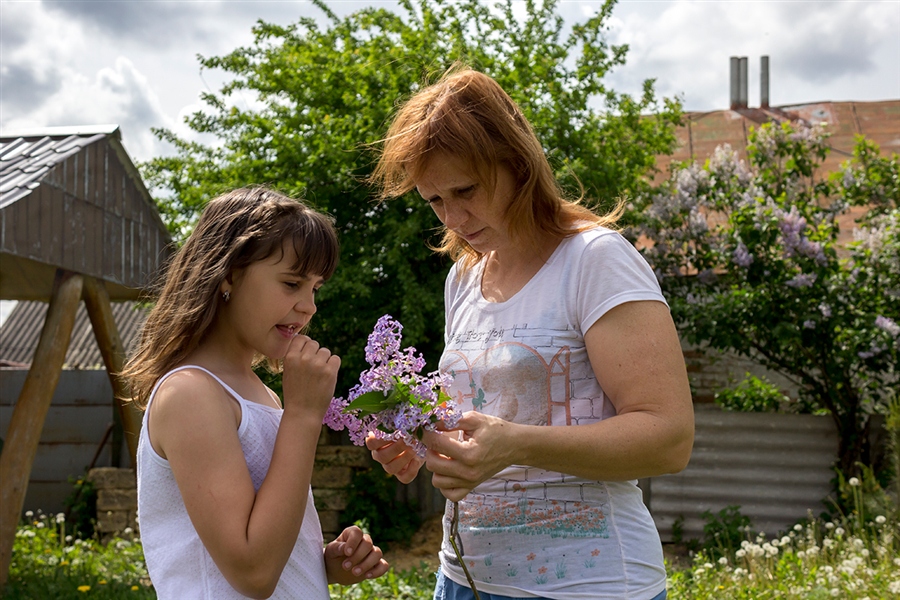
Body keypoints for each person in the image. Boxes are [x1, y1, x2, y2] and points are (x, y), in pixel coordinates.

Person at [367, 68, 694, 600]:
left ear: (517, 162)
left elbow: (669, 440)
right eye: (434, 200)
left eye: (465, 190)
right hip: (463, 581)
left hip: (588, 586)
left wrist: (514, 445)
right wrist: (423, 445)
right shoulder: (463, 277)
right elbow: (485, 424)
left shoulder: (594, 259)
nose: (453, 218)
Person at [121, 187, 389, 599]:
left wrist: (320, 564)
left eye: (315, 288)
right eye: (291, 283)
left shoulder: (261, 395)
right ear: (228, 274)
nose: (309, 306)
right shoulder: (191, 394)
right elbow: (253, 572)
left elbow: (264, 544)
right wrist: (303, 416)